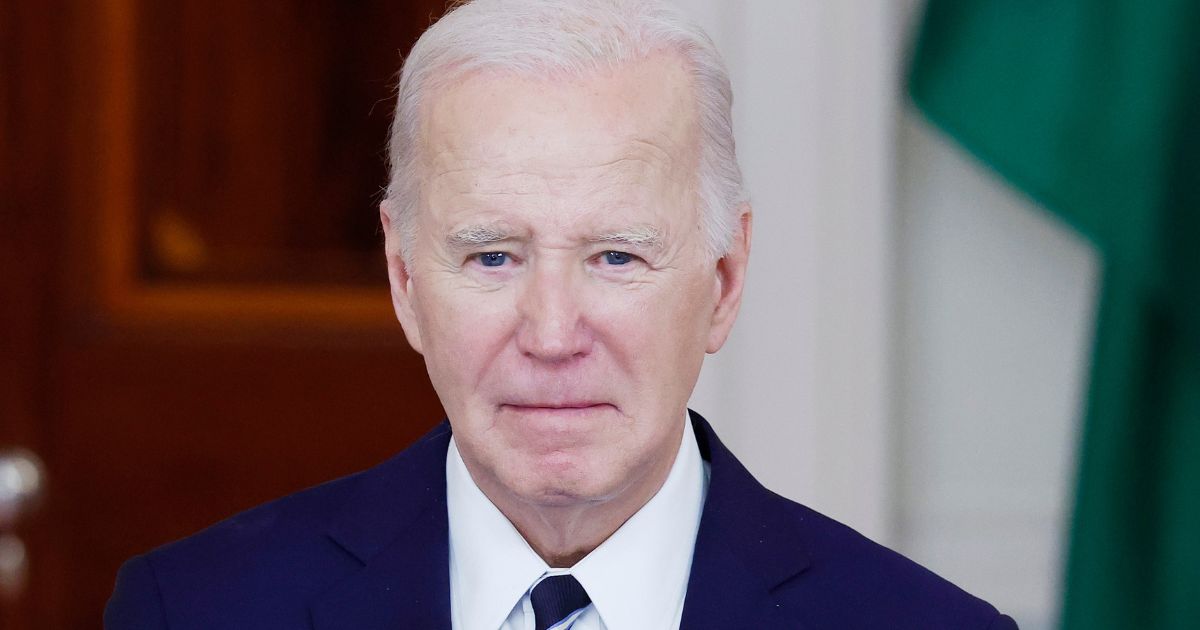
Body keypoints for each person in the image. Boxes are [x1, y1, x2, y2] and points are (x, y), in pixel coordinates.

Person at [105, 1, 1018, 628]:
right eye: (492, 255)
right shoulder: (194, 610)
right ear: (404, 277)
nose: (549, 334)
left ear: (725, 279)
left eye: (616, 256)